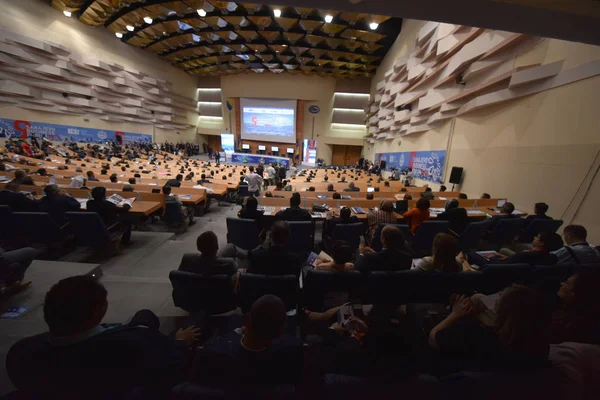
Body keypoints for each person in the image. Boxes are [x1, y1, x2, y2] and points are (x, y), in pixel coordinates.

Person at [6, 276, 200, 399]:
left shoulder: (22, 352)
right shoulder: (129, 346)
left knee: (145, 315)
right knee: (147, 324)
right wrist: (181, 342)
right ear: (98, 311)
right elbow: (168, 371)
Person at [429, 285, 551, 372]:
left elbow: (433, 338)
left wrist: (454, 315)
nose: (496, 297)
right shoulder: (540, 345)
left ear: (502, 312)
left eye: (499, 296)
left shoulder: (476, 336)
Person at [194, 295, 303, 387]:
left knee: (233, 319)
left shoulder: (214, 352)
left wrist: (237, 332)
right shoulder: (293, 350)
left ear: (246, 319)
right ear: (280, 332)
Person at [551, 271, 600, 344]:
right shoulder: (566, 313)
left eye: (567, 283)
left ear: (575, 293)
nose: (562, 283)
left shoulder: (574, 327)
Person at [464, 232, 562, 268]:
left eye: (537, 237)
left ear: (541, 243)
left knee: (470, 253)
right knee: (503, 251)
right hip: (513, 268)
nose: (534, 237)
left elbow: (501, 267)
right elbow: (516, 262)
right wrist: (504, 257)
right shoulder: (552, 258)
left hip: (495, 268)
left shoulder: (525, 255)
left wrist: (493, 258)